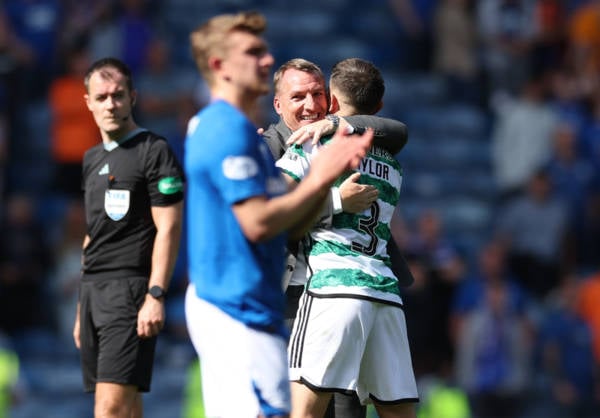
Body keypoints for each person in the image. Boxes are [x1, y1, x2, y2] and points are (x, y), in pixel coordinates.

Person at [183, 12, 374, 418]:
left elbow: (289, 219)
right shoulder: (229, 131)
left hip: (263, 306)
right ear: (219, 66)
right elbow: (257, 222)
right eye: (252, 52)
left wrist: (318, 185)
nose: (266, 59)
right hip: (239, 308)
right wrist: (323, 183)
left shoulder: (245, 133)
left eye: (264, 50)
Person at [263, 57, 414, 418]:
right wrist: (336, 201)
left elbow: (271, 212)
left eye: (318, 95)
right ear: (278, 104)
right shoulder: (391, 162)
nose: (311, 105)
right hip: (382, 291)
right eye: (299, 96)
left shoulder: (316, 146)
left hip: (332, 288)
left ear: (332, 101)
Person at [73, 57, 185, 418]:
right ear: (87, 101)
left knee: (109, 409)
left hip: (130, 291)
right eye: (101, 96)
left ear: (133, 97)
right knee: (127, 408)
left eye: (118, 95)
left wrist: (155, 294)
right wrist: (81, 306)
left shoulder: (154, 150)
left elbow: (169, 226)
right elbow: (93, 233)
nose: (110, 104)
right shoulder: (91, 158)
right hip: (94, 294)